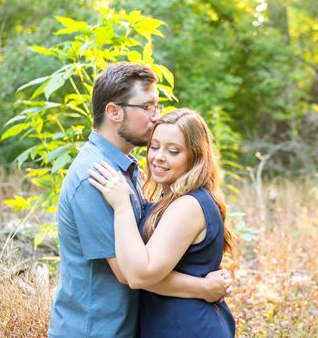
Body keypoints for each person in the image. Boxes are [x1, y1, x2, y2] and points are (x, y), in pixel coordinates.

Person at [48, 63, 232, 338]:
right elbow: (129, 272)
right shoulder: (95, 177)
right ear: (114, 112)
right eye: (147, 107)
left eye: (157, 107)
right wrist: (203, 288)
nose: (156, 117)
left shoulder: (126, 168)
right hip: (96, 330)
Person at [87, 108, 236, 337]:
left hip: (186, 327)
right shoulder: (172, 200)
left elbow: (138, 274)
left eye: (173, 151)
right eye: (154, 146)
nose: (158, 156)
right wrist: (204, 288)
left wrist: (122, 205)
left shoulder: (188, 205)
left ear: (195, 157)